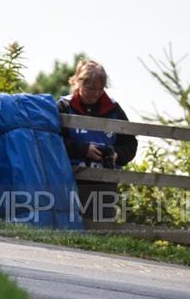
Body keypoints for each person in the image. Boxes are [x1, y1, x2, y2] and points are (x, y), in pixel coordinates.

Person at [58, 59, 138, 222]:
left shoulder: (114, 109)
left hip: (105, 182)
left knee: (102, 229)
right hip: (69, 179)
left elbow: (130, 144)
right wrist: (83, 149)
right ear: (78, 83)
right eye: (90, 88)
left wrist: (116, 154)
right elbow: (52, 142)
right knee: (69, 228)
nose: (95, 93)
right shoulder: (64, 106)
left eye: (100, 89)